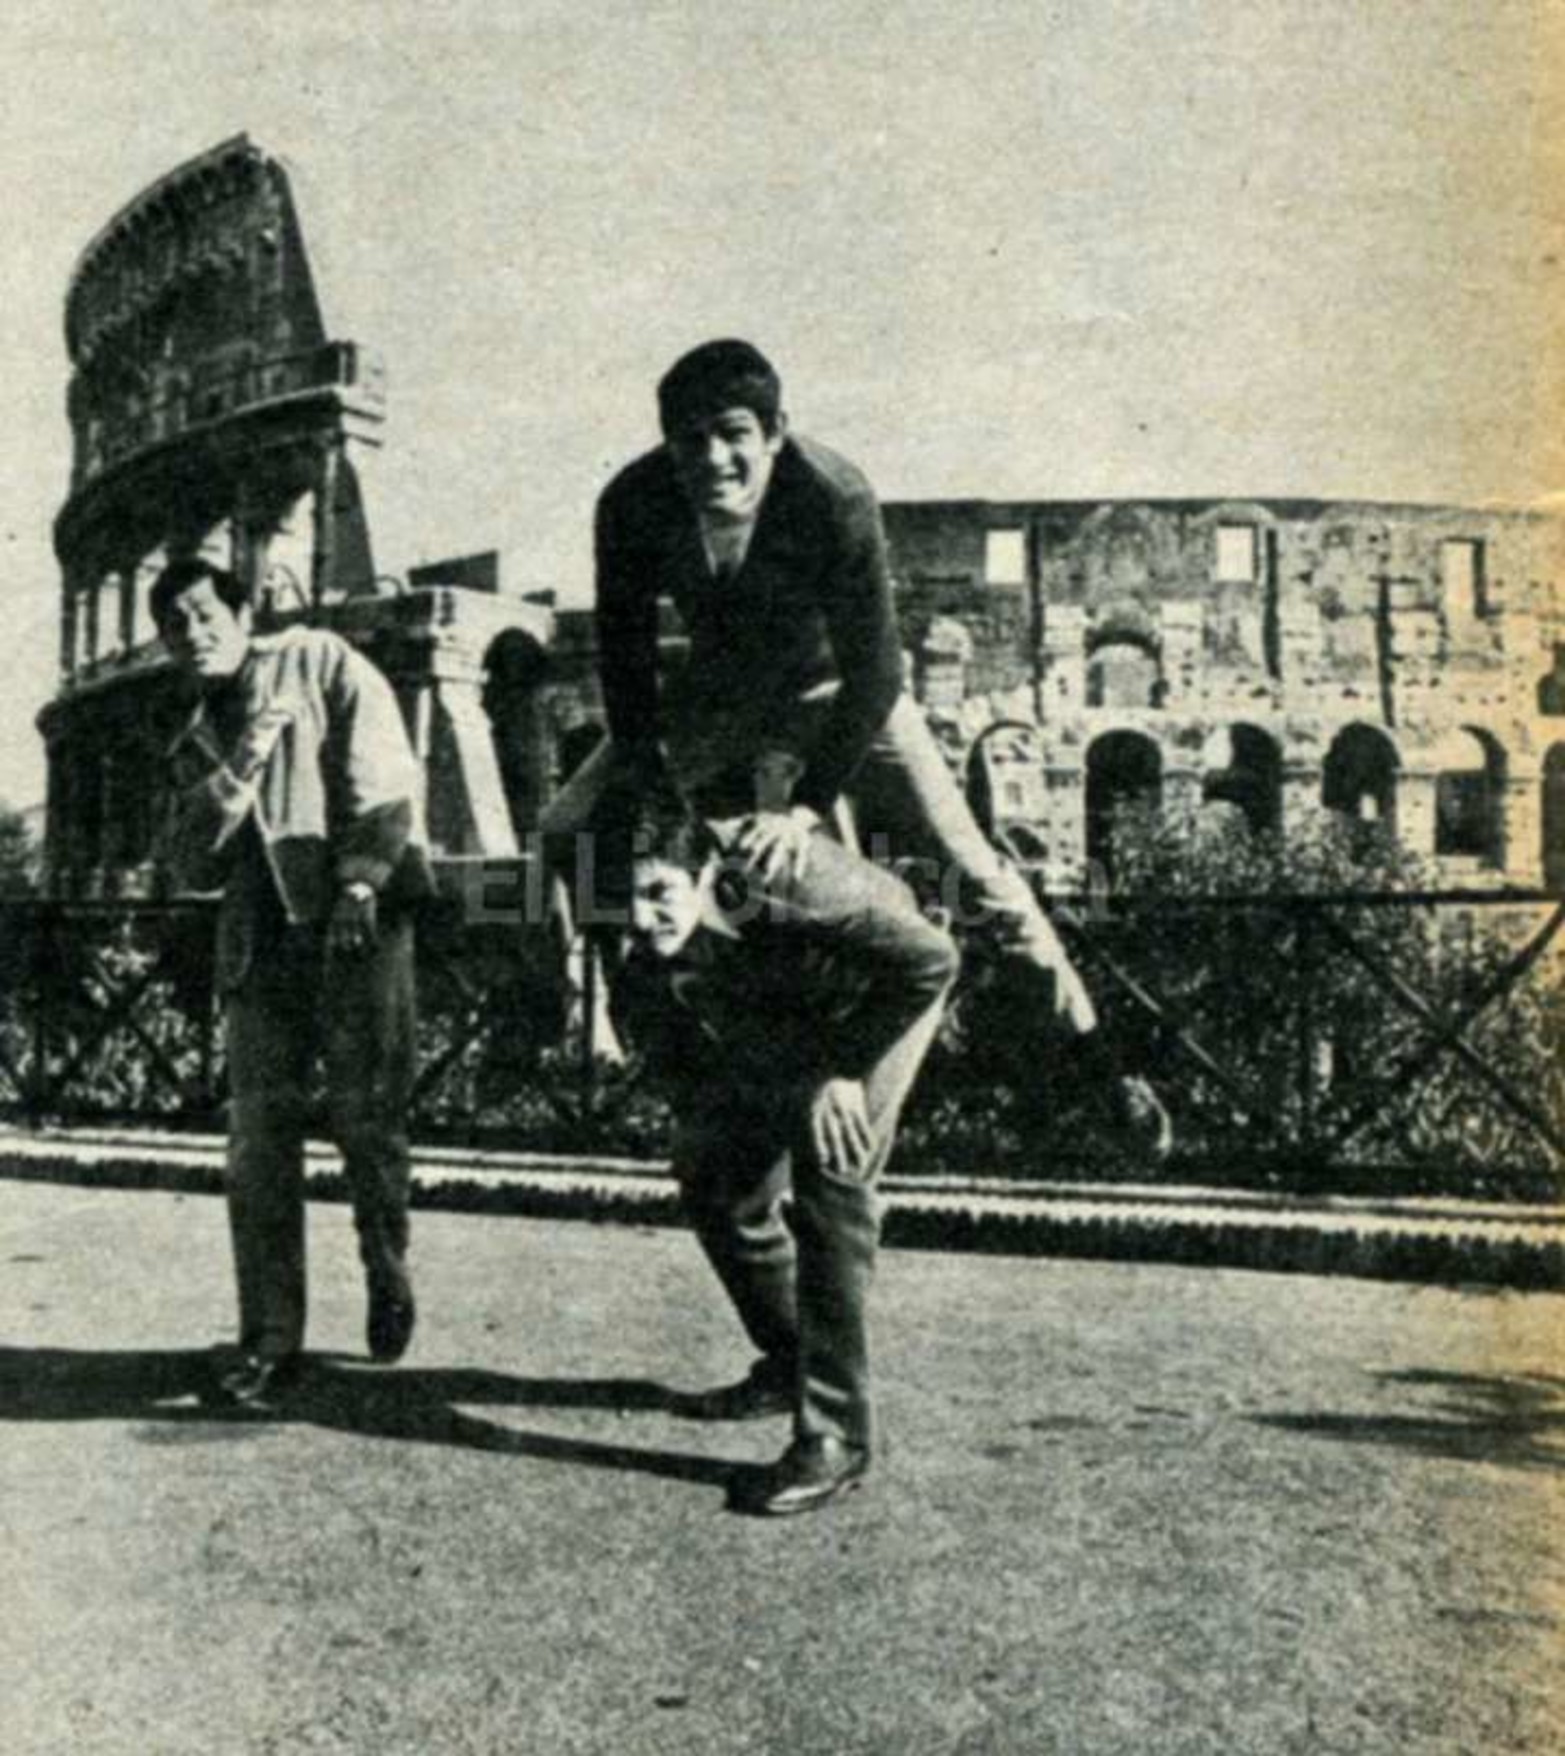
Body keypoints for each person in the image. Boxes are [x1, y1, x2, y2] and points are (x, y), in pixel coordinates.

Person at [547, 337, 1169, 1157]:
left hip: (837, 689)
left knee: (972, 867)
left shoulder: (831, 494)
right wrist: (658, 788)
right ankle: (586, 1025)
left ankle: (1102, 1067)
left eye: (733, 433)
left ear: (774, 432)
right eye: (688, 438)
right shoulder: (631, 503)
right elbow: (625, 669)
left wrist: (802, 809)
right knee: (564, 826)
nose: (712, 458)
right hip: (717, 695)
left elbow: (878, 671)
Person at [600, 775, 958, 1515]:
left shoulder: (783, 889)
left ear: (706, 873)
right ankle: (790, 1359)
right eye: (625, 900)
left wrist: (843, 1068)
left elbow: (929, 961)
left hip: (883, 993)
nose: (642, 919)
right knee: (714, 1175)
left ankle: (836, 1438)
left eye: (661, 896)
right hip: (793, 1007)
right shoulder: (644, 912)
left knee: (832, 1173)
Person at [153, 558, 433, 1409]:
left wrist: (358, 878)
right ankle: (269, 1338)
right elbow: (186, 858)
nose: (194, 634)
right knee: (258, 1148)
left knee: (367, 1122)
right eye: (176, 626)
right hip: (260, 950)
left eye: (206, 615)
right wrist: (238, 763)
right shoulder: (193, 738)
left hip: (357, 927)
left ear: (242, 615)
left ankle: (385, 1261)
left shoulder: (318, 660)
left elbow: (384, 774)